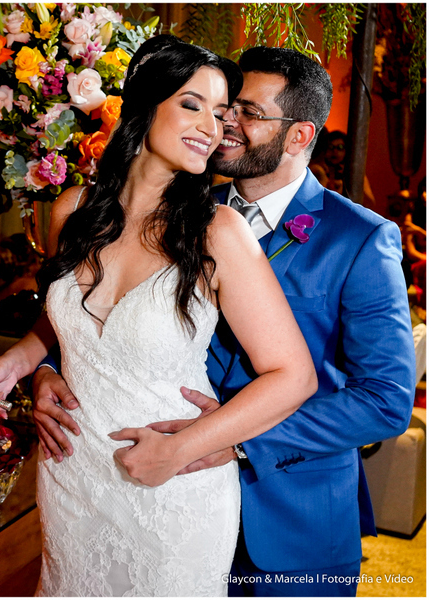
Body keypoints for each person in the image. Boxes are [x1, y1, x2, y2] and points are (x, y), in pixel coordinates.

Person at [32, 46, 416, 596]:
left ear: (301, 136)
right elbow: (96, 320)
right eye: (218, 108)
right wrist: (44, 369)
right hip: (104, 473)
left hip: (288, 509)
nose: (225, 124)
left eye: (246, 113)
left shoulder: (359, 239)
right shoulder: (178, 205)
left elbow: (384, 399)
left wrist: (230, 441)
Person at [0, 35, 317, 596]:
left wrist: (178, 449)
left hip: (171, 487)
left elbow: (293, 376)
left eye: (221, 115)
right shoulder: (72, 210)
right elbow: (68, 320)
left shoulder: (217, 233)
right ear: (146, 105)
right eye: (193, 104)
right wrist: (25, 362)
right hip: (71, 475)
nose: (213, 127)